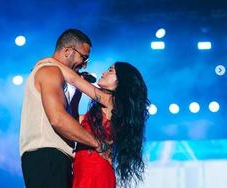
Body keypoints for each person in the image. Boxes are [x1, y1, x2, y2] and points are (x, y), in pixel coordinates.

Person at [19, 29, 106, 188]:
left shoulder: (58, 74)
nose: (85, 63)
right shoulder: (50, 71)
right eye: (84, 57)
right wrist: (97, 144)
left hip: (55, 157)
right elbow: (58, 119)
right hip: (47, 155)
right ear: (67, 51)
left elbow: (67, 117)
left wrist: (76, 94)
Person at [49, 59, 150, 187]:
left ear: (121, 81)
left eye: (110, 70)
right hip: (84, 169)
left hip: (95, 170)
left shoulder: (112, 102)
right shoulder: (100, 110)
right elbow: (72, 120)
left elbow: (74, 80)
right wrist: (78, 94)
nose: (103, 73)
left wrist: (49, 62)